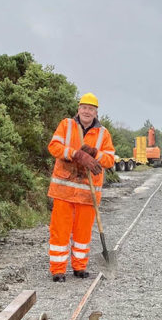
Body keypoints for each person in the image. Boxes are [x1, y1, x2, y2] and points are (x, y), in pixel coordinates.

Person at [47, 92, 115, 281]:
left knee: (83, 233)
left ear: (96, 112)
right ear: (79, 109)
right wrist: (77, 155)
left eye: (91, 109)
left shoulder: (103, 133)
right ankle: (58, 270)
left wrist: (94, 153)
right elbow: (54, 147)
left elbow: (109, 159)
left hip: (88, 194)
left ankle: (79, 267)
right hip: (64, 192)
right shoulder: (66, 125)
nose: (87, 111)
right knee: (60, 231)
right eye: (84, 107)